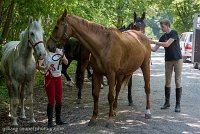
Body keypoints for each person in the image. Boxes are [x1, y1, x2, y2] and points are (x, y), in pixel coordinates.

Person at [150, 19, 183, 112]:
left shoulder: (174, 33)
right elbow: (154, 49)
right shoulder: (162, 36)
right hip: (168, 61)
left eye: (162, 26)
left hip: (177, 60)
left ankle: (178, 105)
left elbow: (167, 44)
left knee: (177, 81)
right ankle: (167, 103)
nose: (161, 28)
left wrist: (153, 42)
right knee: (167, 81)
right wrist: (145, 44)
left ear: (167, 25)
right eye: (161, 26)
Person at [37, 45, 68, 127]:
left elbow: (66, 62)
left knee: (59, 99)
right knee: (51, 100)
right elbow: (38, 66)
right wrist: (45, 67)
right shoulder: (45, 53)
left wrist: (63, 57)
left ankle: (58, 120)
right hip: (49, 78)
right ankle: (50, 122)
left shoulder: (60, 52)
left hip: (58, 77)